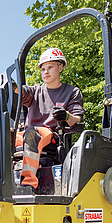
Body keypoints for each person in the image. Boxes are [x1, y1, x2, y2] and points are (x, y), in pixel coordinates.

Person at [15, 47, 84, 190]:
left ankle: (28, 184)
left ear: (60, 67)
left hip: (52, 136)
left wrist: (66, 116)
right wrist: (11, 85)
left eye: (50, 67)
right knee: (5, 136)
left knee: (33, 134)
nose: (45, 72)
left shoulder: (71, 92)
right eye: (43, 69)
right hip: (29, 133)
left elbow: (77, 119)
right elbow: (21, 92)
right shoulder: (36, 91)